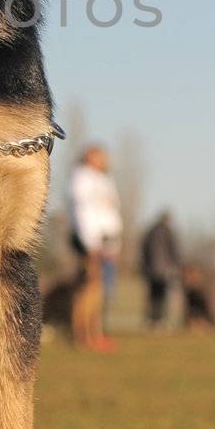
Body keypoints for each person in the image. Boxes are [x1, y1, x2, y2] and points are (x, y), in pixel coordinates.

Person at [66, 145, 123, 351]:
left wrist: (114, 245)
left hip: (106, 242)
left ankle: (97, 333)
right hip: (90, 240)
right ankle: (84, 335)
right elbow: (83, 211)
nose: (102, 160)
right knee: (89, 290)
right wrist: (91, 244)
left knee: (100, 291)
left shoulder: (104, 180)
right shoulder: (82, 178)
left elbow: (111, 212)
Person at [140, 211, 181, 327]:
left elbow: (144, 249)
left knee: (152, 295)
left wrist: (145, 266)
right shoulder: (168, 232)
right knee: (162, 295)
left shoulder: (150, 231)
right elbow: (173, 249)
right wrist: (175, 265)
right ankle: (161, 320)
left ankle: (150, 320)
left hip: (151, 269)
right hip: (164, 270)